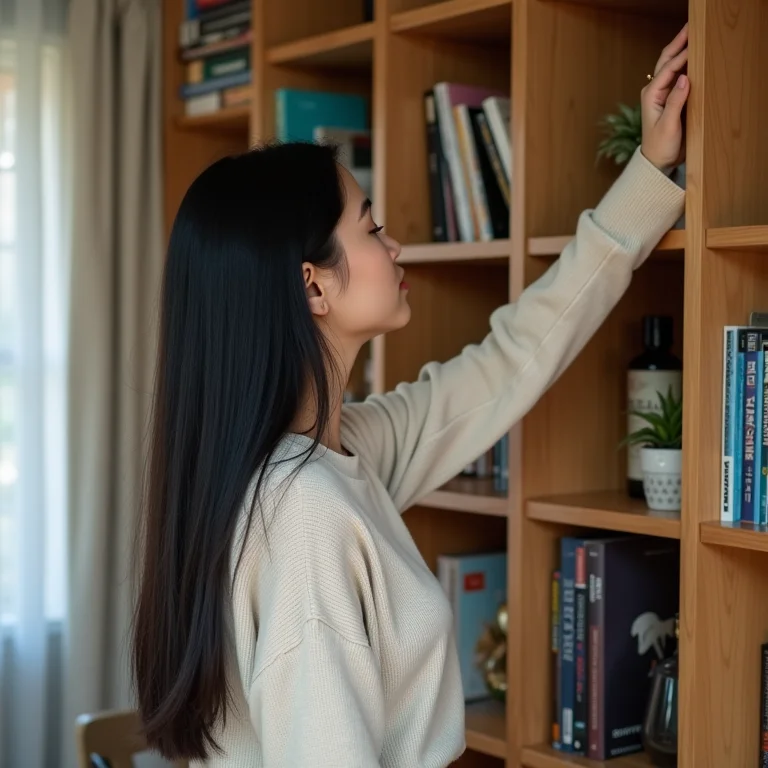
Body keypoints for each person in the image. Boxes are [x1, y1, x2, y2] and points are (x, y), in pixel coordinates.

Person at [131, 24, 690, 768]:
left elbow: (510, 361)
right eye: (372, 227)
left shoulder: (334, 455)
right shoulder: (305, 517)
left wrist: (649, 173)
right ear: (313, 283)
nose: (394, 247)